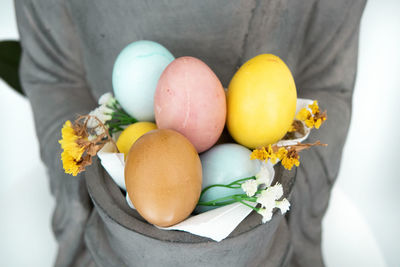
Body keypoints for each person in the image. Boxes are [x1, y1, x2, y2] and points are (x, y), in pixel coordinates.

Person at [15, 1, 366, 266]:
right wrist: (85, 196)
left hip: (256, 242)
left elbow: (327, 81)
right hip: (120, 237)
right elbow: (55, 76)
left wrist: (289, 209)